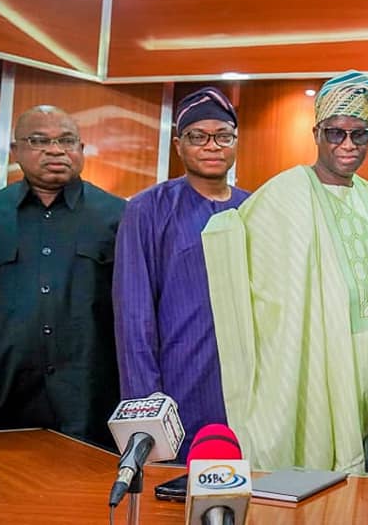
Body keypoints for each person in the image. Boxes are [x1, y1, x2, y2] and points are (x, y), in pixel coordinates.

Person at [201, 70, 368, 471]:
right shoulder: (283, 195)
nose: (347, 145)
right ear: (316, 133)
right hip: (318, 358)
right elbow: (236, 248)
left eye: (359, 134)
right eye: (335, 133)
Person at [113, 87, 250, 460]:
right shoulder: (148, 210)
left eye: (222, 136)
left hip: (245, 388)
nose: (212, 146)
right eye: (197, 137)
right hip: (177, 384)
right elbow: (133, 318)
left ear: (235, 142)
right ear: (178, 145)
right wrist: (147, 407)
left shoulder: (254, 209)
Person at [0, 106, 124, 448]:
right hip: (4, 395)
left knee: (84, 497)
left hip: (90, 397)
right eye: (39, 140)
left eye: (67, 141)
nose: (55, 150)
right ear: (15, 150)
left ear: (81, 149)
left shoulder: (119, 216)